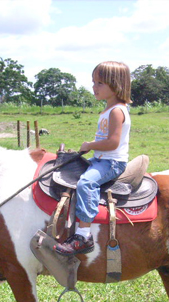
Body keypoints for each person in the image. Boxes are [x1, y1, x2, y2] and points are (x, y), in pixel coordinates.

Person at [54, 61, 132, 256]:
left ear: (116, 85)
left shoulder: (116, 111)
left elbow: (113, 143)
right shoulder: (107, 110)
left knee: (86, 183)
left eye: (99, 83)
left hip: (112, 162)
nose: (94, 87)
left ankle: (83, 235)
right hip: (101, 159)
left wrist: (90, 145)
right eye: (94, 82)